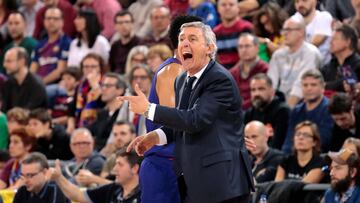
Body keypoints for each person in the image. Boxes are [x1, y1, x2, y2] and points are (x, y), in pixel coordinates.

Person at [123, 21, 254, 203]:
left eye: (192, 39)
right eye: (181, 39)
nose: (184, 43)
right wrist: (156, 136)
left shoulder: (219, 78)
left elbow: (195, 120)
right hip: (195, 181)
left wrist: (147, 109)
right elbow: (182, 121)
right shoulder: (182, 79)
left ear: (209, 48)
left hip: (223, 182)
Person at [142, 15, 201, 203]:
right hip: (165, 164)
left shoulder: (193, 73)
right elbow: (174, 121)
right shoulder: (172, 72)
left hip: (183, 165)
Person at [48, 148, 142, 203]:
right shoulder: (114, 189)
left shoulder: (145, 195)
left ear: (134, 168)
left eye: (120, 165)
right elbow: (78, 195)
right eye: (115, 164)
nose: (114, 169)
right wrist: (59, 177)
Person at [267, 16, 322, 108]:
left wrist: (288, 110)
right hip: (280, 104)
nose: (284, 34)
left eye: (288, 30)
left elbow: (300, 85)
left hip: (302, 104)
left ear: (301, 32)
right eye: (283, 30)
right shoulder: (278, 55)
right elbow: (271, 83)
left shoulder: (310, 53)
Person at [282, 69, 334, 153]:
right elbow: (289, 140)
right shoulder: (296, 111)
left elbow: (323, 140)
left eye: (313, 85)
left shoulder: (329, 108)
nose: (309, 88)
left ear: (322, 87)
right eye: (305, 85)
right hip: (297, 156)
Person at [244, 73, 290, 150]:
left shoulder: (282, 111)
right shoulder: (249, 113)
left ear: (272, 91)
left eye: (261, 89)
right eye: (253, 90)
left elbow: (278, 144)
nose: (256, 93)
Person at [30, 7, 72, 85]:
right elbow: (32, 69)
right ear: (44, 21)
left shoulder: (66, 43)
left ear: (62, 22)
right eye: (48, 18)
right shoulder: (39, 45)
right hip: (37, 86)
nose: (51, 21)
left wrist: (40, 84)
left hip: (55, 85)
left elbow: (60, 70)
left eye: (55, 19)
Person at [88, 72, 129, 150]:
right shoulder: (102, 113)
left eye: (108, 86)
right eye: (102, 85)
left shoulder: (126, 113)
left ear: (120, 90)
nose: (103, 89)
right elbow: (89, 130)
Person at [1, 47, 47, 113]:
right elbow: (4, 110)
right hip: (12, 121)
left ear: (21, 61)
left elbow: (30, 112)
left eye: (9, 61)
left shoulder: (36, 85)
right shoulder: (7, 84)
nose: (4, 65)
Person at [229, 33, 268, 110]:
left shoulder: (265, 69)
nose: (244, 50)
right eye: (240, 47)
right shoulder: (232, 73)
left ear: (257, 48)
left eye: (247, 46)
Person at [213, 0, 253, 69]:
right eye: (223, 5)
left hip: (242, 72)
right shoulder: (215, 32)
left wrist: (230, 74)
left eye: (231, 4)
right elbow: (215, 58)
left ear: (238, 8)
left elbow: (249, 56)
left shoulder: (246, 28)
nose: (227, 7)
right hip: (222, 74)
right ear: (218, 9)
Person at [321, 24, 360, 93]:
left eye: (335, 39)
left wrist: (327, 85)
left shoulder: (357, 65)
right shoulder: (329, 66)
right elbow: (318, 84)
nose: (330, 42)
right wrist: (340, 84)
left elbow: (350, 85)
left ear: (348, 42)